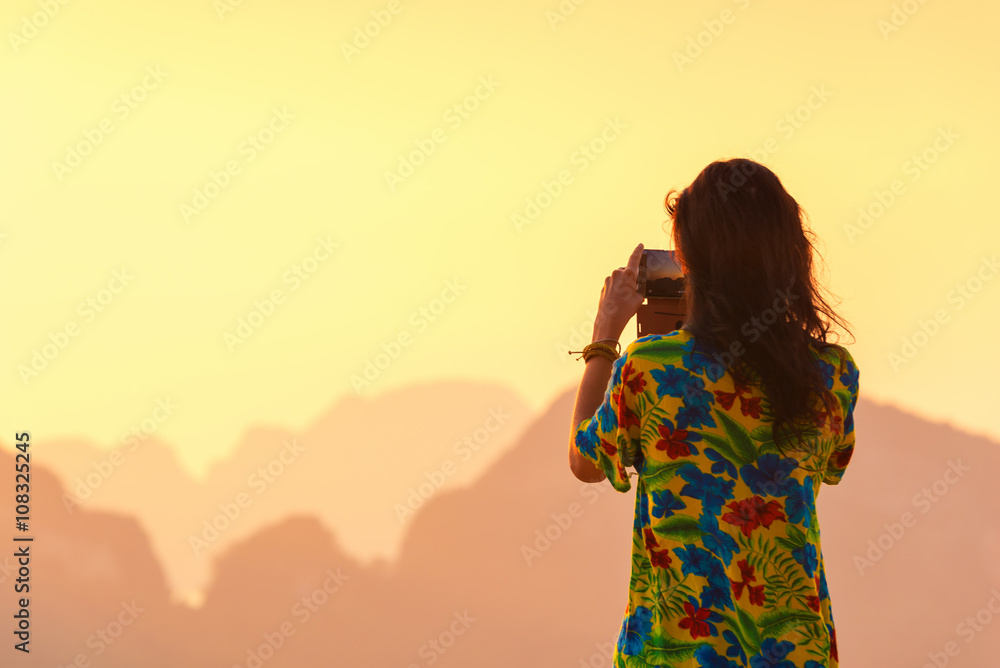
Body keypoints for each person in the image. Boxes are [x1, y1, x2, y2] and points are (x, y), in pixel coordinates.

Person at [567, 158, 859, 668]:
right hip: (795, 651)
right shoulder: (830, 373)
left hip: (678, 650)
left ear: (689, 260)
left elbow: (585, 461)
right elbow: (831, 467)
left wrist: (604, 338)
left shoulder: (651, 368)